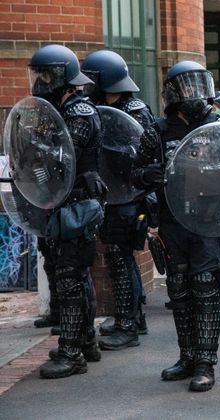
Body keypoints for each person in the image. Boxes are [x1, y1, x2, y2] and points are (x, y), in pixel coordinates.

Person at [131, 61, 220, 392]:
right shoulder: (158, 131)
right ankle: (187, 355)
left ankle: (206, 363)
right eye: (186, 87)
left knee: (205, 289)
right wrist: (148, 175)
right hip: (173, 221)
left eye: (198, 86)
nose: (194, 95)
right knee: (179, 290)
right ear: (173, 94)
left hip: (210, 221)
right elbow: (135, 173)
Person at [28, 45, 106, 379]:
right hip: (65, 205)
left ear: (62, 77)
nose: (40, 81)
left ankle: (72, 352)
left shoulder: (80, 114)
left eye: (45, 74)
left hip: (76, 205)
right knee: (74, 276)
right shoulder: (64, 109)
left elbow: (60, 156)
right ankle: (85, 341)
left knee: (69, 279)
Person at [81, 49, 154, 350]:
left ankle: (127, 326)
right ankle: (133, 316)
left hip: (127, 198)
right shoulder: (107, 106)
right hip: (115, 197)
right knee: (122, 259)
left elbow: (137, 158)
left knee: (120, 260)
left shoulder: (133, 112)